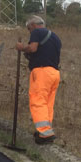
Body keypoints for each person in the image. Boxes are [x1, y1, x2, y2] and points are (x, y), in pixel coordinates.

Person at [15, 15, 62, 145]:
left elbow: (33, 48)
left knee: (38, 101)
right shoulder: (55, 37)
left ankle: (45, 133)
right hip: (54, 73)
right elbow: (44, 52)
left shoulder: (37, 32)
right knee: (48, 103)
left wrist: (22, 47)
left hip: (42, 72)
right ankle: (46, 131)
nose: (29, 32)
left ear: (33, 25)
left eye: (28, 29)